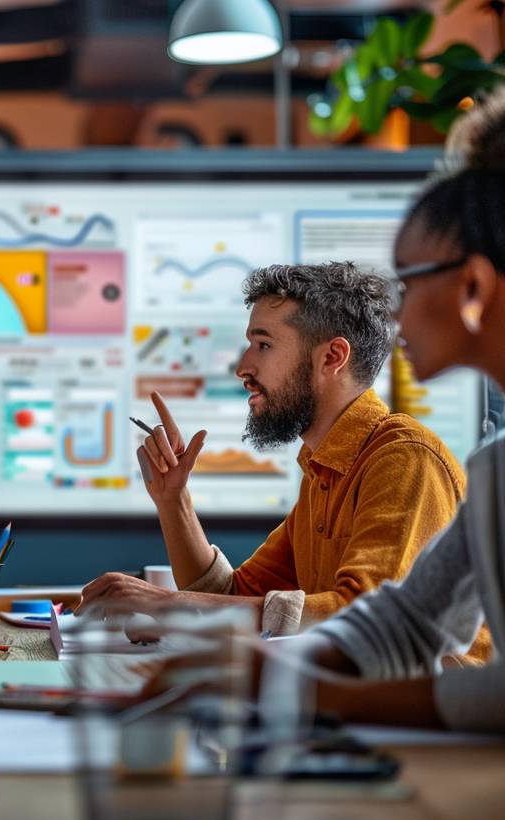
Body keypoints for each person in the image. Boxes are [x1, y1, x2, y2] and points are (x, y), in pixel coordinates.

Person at [79, 262, 487, 658]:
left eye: (263, 345)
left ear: (331, 357)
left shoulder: (404, 458)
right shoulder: (324, 468)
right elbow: (232, 601)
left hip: (427, 717)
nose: (243, 367)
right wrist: (173, 501)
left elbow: (369, 622)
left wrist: (169, 605)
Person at [256, 89, 505, 729]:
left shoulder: (408, 456)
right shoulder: (498, 468)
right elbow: (410, 619)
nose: (394, 316)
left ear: (472, 287)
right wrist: (246, 669)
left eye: (409, 282)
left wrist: (302, 692)